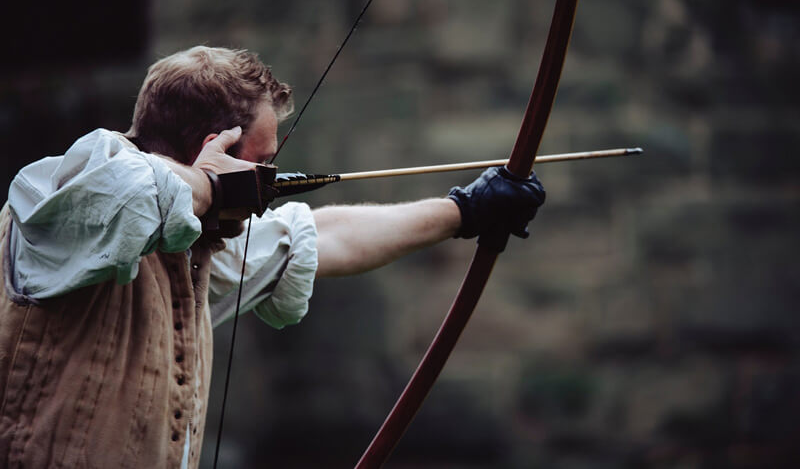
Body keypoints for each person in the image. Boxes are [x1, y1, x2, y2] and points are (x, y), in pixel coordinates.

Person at [0, 46, 544, 468]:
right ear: (210, 147)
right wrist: (212, 184)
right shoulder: (66, 195)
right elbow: (135, 193)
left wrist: (466, 212)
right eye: (260, 168)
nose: (266, 188)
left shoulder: (197, 242)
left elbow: (323, 236)